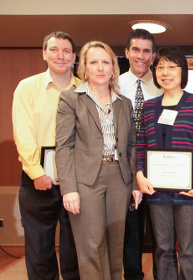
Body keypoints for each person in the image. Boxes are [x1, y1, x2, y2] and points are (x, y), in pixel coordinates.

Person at [55, 41, 141, 280]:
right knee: (91, 247)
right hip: (85, 181)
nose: (100, 68)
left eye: (106, 62)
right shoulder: (70, 99)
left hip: (119, 179)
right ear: (84, 68)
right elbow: (64, 146)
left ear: (113, 67)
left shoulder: (124, 104)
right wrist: (68, 189)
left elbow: (132, 146)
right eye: (93, 62)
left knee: (116, 247)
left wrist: (134, 183)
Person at [136, 46, 193, 280]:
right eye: (160, 67)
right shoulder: (149, 108)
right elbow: (140, 145)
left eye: (171, 66)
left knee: (189, 249)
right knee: (162, 248)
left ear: (182, 71)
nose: (165, 72)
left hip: (190, 189)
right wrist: (140, 174)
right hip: (156, 189)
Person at [12, 31, 80, 280]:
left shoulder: (84, 89)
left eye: (65, 51)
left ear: (74, 57)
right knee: (40, 249)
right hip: (38, 178)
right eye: (54, 50)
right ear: (44, 53)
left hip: (76, 179)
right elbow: (23, 134)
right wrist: (37, 173)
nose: (60, 56)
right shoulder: (27, 88)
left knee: (74, 249)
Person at [119, 28, 163, 280]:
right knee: (130, 228)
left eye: (146, 51)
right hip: (125, 167)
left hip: (158, 165)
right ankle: (133, 275)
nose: (141, 56)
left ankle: (164, 274)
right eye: (135, 49)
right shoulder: (114, 84)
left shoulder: (162, 85)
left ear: (153, 55)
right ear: (126, 52)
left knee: (161, 230)